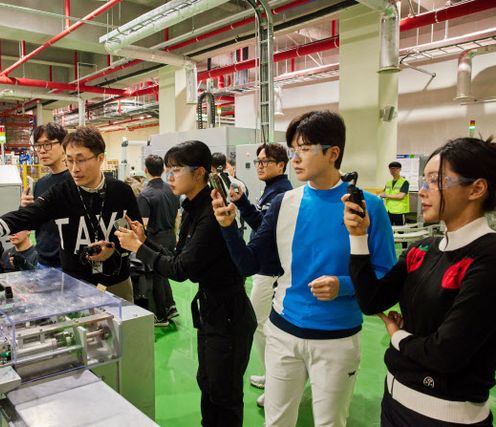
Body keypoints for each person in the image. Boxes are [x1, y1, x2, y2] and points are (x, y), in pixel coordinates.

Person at [212, 110, 396, 427]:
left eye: (305, 149)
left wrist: (343, 285)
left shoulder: (368, 206)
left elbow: (385, 277)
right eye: (293, 150)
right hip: (283, 332)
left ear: (333, 153)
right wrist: (228, 227)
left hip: (337, 339)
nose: (295, 159)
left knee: (329, 422)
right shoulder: (284, 203)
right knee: (276, 420)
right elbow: (249, 263)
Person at [343, 137, 496, 426]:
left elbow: (445, 353)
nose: (423, 190)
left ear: (476, 188)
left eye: (436, 181)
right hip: (393, 402)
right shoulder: (423, 248)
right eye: (423, 180)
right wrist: (359, 237)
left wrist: (397, 336)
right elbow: (372, 301)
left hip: (446, 417)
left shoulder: (488, 256)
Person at [115, 140, 256, 427]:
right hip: (211, 311)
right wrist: (145, 241)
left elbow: (181, 270)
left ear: (199, 172)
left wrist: (139, 249)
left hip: (229, 315)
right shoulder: (192, 207)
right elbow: (180, 257)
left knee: (224, 393)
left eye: (176, 170)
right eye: (168, 169)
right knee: (208, 383)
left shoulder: (211, 213)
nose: (170, 177)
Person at [0, 126, 142, 302]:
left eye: (81, 160)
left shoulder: (121, 192)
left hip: (117, 282)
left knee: (127, 328)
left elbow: (137, 236)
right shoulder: (60, 193)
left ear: (100, 158)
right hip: (75, 284)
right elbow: (27, 215)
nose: (75, 169)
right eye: (70, 160)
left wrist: (113, 249)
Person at [229, 143, 293, 406]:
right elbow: (261, 224)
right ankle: (272, 376)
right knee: (261, 325)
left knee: (259, 324)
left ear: (281, 165)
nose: (260, 166)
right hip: (264, 268)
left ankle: (277, 382)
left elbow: (267, 235)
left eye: (265, 161)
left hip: (270, 270)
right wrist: (242, 201)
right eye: (258, 161)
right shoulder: (271, 191)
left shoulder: (281, 193)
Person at [137, 154, 180, 326]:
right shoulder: (172, 189)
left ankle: (160, 315)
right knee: (165, 273)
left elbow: (144, 224)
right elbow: (177, 216)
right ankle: (170, 306)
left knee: (155, 277)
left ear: (146, 170)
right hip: (170, 236)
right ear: (163, 170)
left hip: (154, 240)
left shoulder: (145, 195)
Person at [21, 122, 69, 268]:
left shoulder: (75, 181)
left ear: (63, 145)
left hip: (68, 263)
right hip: (43, 261)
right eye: (38, 146)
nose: (42, 151)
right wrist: (25, 208)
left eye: (47, 144)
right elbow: (35, 223)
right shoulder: (41, 183)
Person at [380, 161, 410, 225]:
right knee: (389, 228)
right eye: (391, 169)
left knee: (400, 229)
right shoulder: (388, 182)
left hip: (399, 211)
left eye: (395, 169)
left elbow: (401, 196)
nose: (393, 171)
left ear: (399, 169)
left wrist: (386, 195)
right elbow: (384, 193)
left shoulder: (404, 182)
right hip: (388, 210)